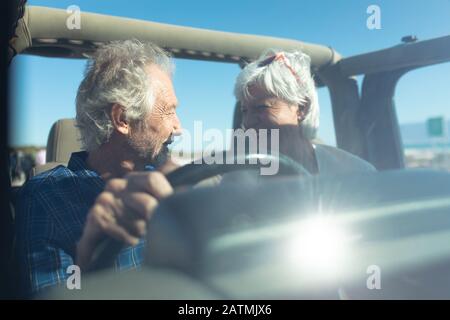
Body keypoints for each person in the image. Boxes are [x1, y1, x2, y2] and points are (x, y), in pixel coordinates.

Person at [15, 39, 181, 296]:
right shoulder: (47, 197)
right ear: (122, 119)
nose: (178, 127)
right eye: (169, 112)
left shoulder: (165, 182)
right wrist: (88, 256)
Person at [233, 49, 375, 175]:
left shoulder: (355, 174)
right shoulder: (238, 177)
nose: (248, 122)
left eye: (262, 107)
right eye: (244, 111)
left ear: (302, 108)